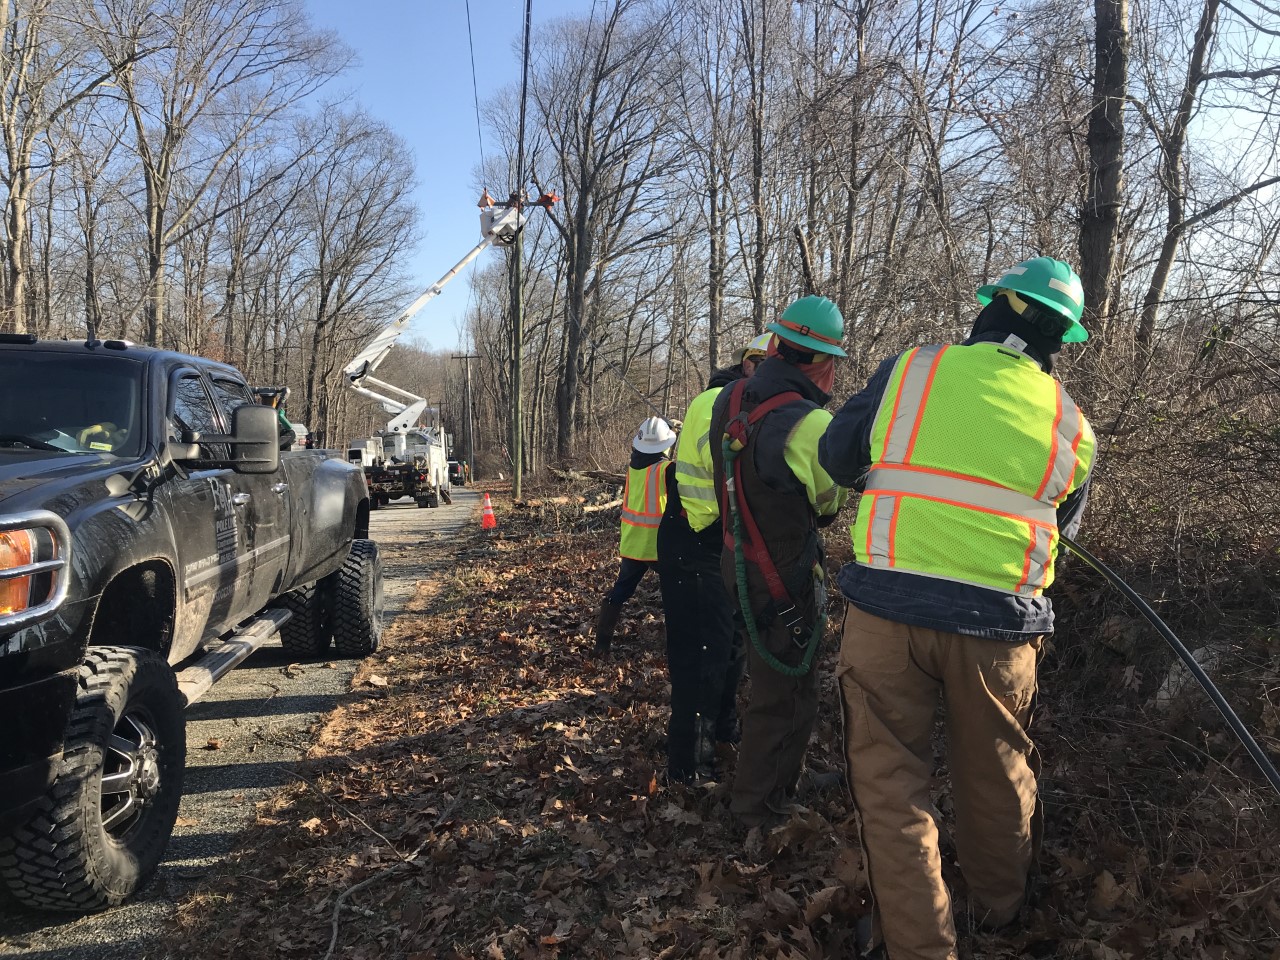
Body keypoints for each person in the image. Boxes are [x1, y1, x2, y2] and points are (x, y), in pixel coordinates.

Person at [818, 257, 1096, 960]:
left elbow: (836, 454)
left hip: (887, 614)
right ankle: (1000, 911)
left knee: (890, 788)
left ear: (995, 305)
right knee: (998, 771)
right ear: (1062, 337)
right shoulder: (1074, 426)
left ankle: (920, 945)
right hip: (1000, 634)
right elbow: (1062, 526)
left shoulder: (912, 371)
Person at [708, 296, 848, 830]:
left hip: (734, 557)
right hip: (780, 572)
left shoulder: (731, 396)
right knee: (788, 692)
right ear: (822, 362)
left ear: (775, 344)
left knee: (767, 681)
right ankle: (759, 809)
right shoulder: (809, 423)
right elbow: (828, 503)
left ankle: (773, 780)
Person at [656, 336, 763, 783]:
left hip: (715, 540)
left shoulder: (735, 401)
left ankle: (723, 732)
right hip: (696, 539)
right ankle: (688, 770)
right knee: (702, 655)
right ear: (750, 366)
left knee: (730, 645)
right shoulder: (719, 402)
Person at [593, 416, 678, 654]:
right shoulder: (668, 469)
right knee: (675, 594)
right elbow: (671, 471)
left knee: (620, 591)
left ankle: (601, 644)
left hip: (633, 543)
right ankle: (674, 645)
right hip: (659, 546)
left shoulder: (634, 467)